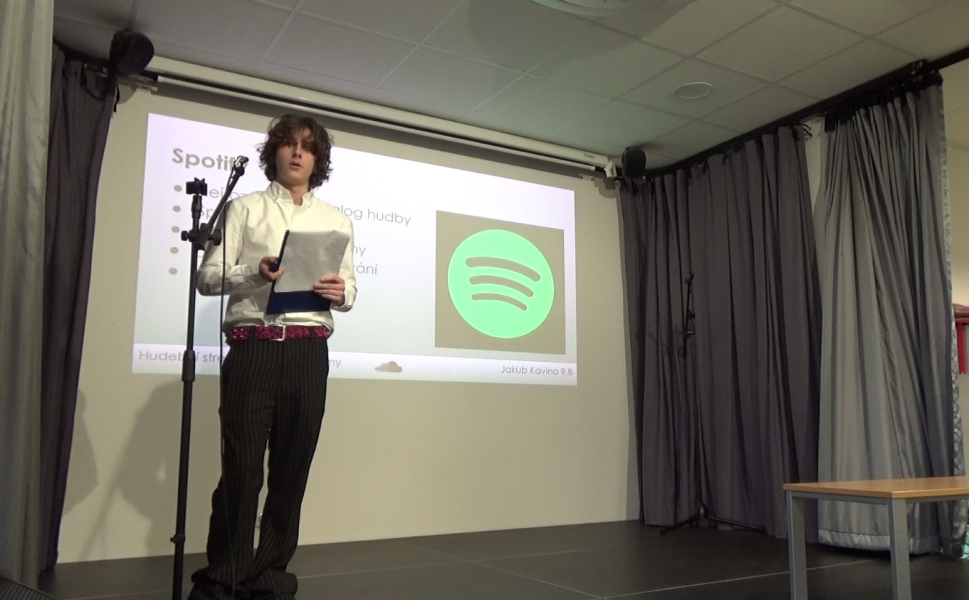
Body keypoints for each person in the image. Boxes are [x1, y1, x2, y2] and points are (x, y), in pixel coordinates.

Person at [189, 114, 357, 600]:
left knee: (291, 470)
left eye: (308, 146)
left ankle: (269, 576)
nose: (298, 152)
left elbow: (350, 290)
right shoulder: (244, 208)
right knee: (241, 470)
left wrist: (340, 291)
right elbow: (207, 279)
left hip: (308, 350)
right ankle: (225, 577)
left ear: (318, 160)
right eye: (288, 143)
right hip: (254, 348)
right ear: (275, 152)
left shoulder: (337, 220)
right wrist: (254, 273)